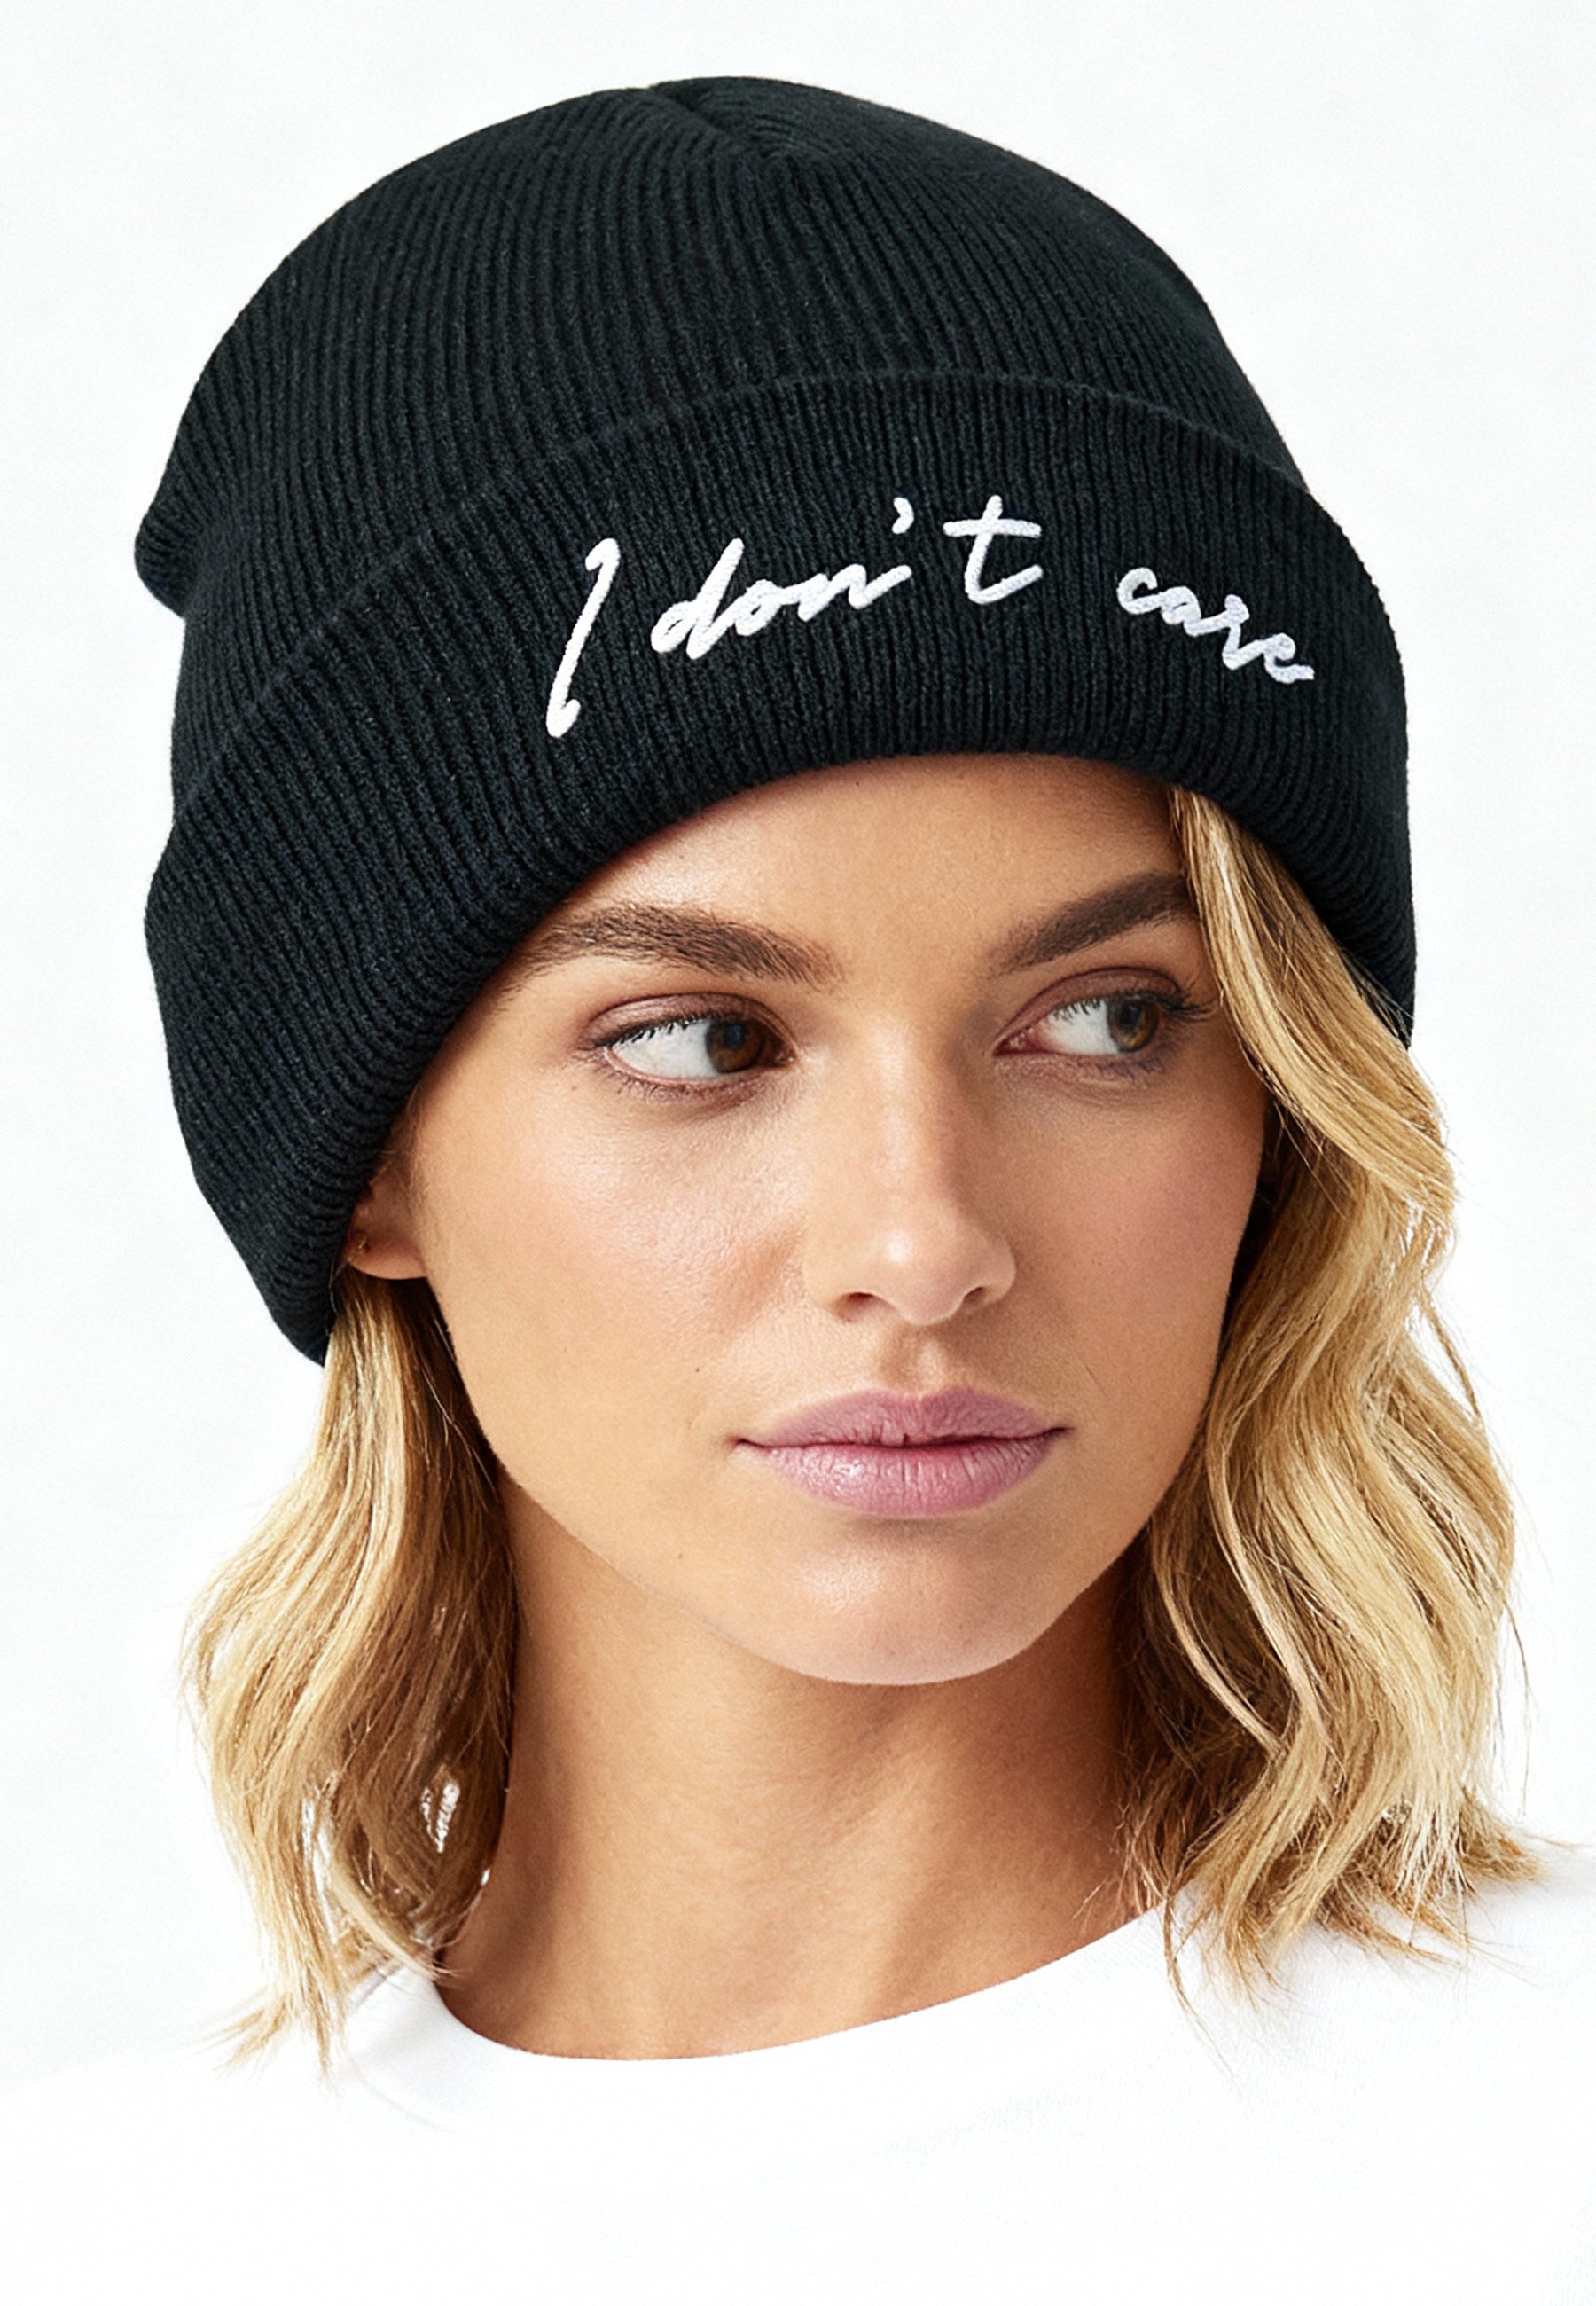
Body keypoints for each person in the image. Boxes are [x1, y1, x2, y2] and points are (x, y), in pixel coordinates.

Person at [4, 74, 1592, 2305]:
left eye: (1108, 1018)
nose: (922, 1245)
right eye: (702, 1042)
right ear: (368, 1155)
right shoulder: (102, 2235)